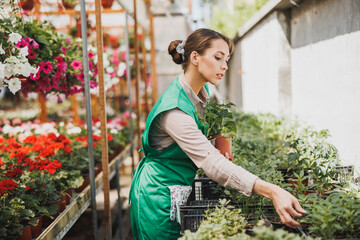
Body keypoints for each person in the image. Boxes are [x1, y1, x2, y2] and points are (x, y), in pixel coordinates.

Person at [129, 28, 306, 240]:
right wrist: (272, 190)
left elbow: (214, 141)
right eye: (218, 57)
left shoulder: (199, 96)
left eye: (227, 59)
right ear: (195, 57)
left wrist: (223, 139)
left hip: (178, 187)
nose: (225, 66)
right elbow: (211, 162)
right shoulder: (175, 110)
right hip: (159, 196)